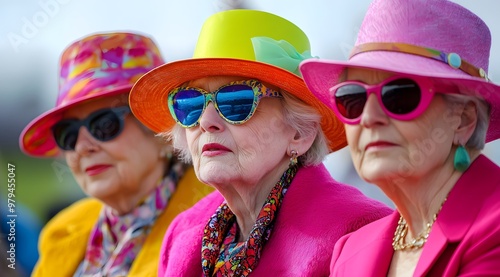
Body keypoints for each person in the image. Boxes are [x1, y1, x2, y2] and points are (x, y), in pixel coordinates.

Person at [129, 10, 393, 276]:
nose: (207, 121)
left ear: (300, 134)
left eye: (236, 101)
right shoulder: (181, 233)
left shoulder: (359, 230)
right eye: (190, 103)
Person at [300, 0, 500, 276]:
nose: (369, 117)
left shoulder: (494, 227)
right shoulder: (348, 251)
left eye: (399, 95)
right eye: (352, 99)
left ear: (463, 119)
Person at [19, 32, 211, 277]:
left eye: (104, 124)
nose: (82, 146)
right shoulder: (60, 230)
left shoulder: (217, 222)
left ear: (163, 130)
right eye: (67, 133)